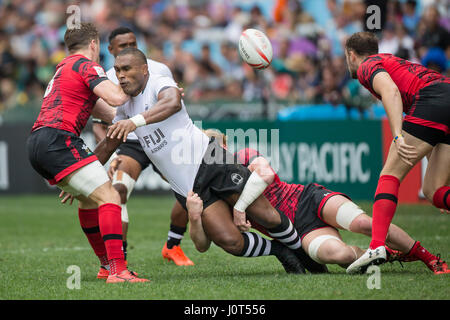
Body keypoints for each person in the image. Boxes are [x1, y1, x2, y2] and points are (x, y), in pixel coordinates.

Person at [94, 47, 310, 274]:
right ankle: (280, 250)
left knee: (266, 216)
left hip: (210, 160)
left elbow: (172, 103)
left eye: (126, 69)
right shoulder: (124, 108)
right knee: (231, 242)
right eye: (117, 70)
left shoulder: (159, 82)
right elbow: (109, 143)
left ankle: (306, 257)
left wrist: (135, 122)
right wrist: (82, 172)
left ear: (144, 69)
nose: (120, 75)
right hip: (187, 188)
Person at [184, 130, 447, 273]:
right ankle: (386, 254)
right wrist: (194, 216)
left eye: (217, 149)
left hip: (308, 198)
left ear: (226, 148)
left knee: (365, 224)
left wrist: (240, 207)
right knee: (340, 255)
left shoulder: (244, 155)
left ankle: (430, 259)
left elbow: (264, 173)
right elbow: (203, 245)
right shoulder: (213, 196)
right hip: (300, 230)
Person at [26, 23, 149, 283]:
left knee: (89, 200)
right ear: (94, 44)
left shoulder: (63, 68)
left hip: (38, 142)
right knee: (110, 197)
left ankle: (106, 266)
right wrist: (134, 79)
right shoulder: (85, 65)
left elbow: (111, 114)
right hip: (59, 139)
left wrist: (151, 114)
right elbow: (117, 98)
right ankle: (119, 271)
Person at [344, 31, 449, 274]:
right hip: (443, 95)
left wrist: (397, 134)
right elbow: (431, 129)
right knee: (435, 191)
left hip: (432, 99)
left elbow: (390, 92)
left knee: (388, 175)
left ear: (351, 55)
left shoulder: (367, 66)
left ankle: (376, 246)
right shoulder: (389, 60)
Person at [91, 27, 193, 270]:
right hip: (129, 144)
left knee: (190, 193)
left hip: (162, 141)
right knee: (118, 190)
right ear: (111, 50)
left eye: (133, 43)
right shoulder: (105, 79)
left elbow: (170, 103)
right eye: (123, 45)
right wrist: (110, 155)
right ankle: (119, 260)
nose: (129, 48)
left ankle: (173, 245)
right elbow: (99, 126)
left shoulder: (158, 69)